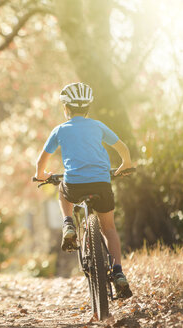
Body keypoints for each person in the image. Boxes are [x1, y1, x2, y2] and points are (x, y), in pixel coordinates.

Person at [35, 82, 133, 298]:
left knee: (62, 188)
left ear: (65, 108)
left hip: (75, 184)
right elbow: (122, 149)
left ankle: (68, 223)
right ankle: (118, 272)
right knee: (109, 229)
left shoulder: (60, 130)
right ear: (88, 108)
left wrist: (42, 175)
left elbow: (41, 160)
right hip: (101, 183)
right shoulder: (98, 126)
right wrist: (124, 165)